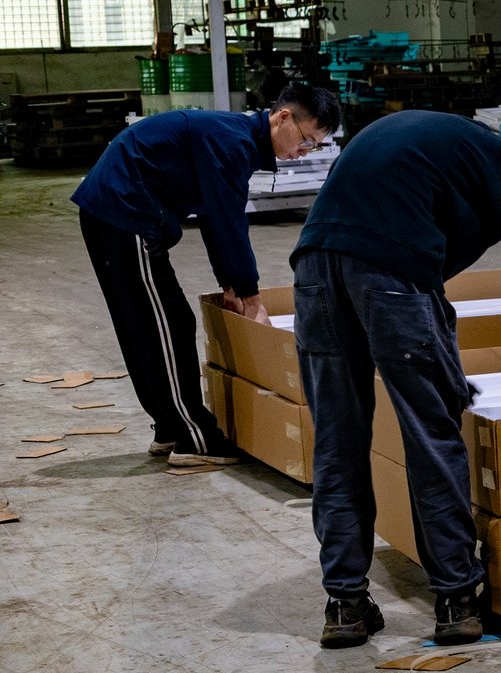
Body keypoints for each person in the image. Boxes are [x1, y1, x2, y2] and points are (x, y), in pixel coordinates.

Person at [291, 111, 501, 650]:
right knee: (430, 434)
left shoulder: (438, 147)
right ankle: (455, 597)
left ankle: (345, 604)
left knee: (337, 439)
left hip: (312, 272)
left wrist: (442, 366)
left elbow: (410, 257)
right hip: (385, 275)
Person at [72, 84, 341, 468]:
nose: (303, 152)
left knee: (157, 323)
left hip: (121, 212)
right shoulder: (232, 142)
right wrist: (249, 296)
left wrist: (232, 284)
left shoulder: (237, 139)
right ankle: (193, 437)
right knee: (164, 326)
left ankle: (169, 426)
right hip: (123, 211)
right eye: (306, 139)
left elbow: (217, 217)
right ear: (284, 117)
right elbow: (225, 219)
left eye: (314, 147)